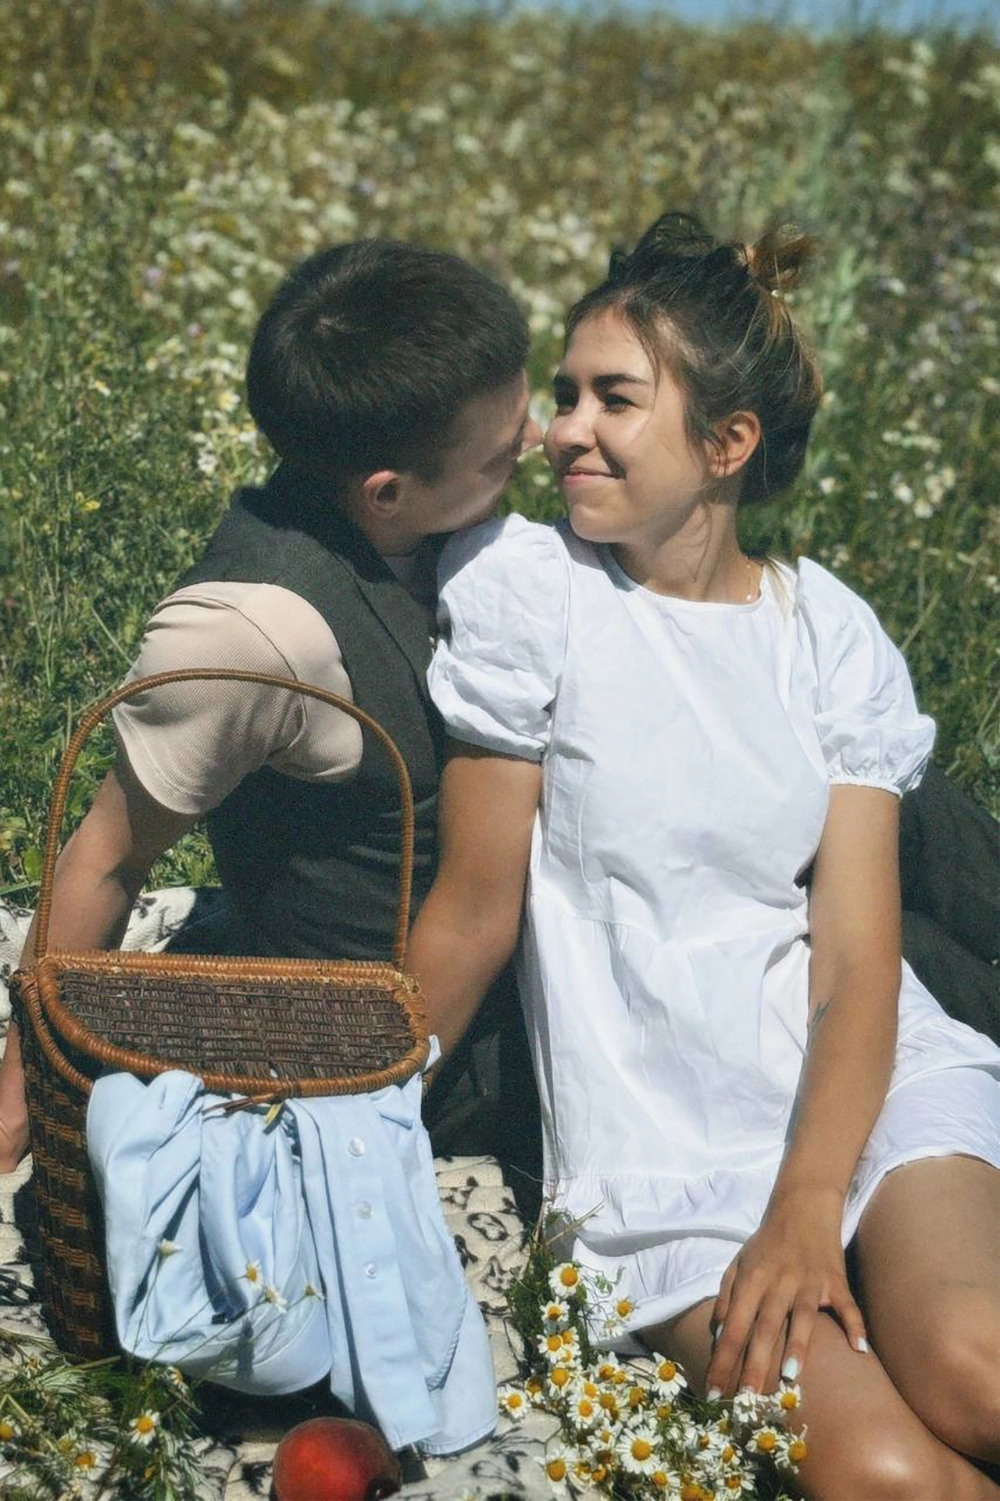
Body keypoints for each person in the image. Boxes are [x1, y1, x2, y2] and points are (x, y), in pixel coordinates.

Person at [407, 214, 1000, 1498]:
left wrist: (808, 1205)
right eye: (566, 392)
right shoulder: (529, 591)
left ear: (727, 444)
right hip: (661, 1156)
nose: (564, 429)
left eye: (614, 399)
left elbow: (856, 961)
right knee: (888, 1473)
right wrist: (341, 1111)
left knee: (975, 1367)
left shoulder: (824, 632)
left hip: (866, 1090)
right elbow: (473, 913)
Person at [0, 237, 541, 1174]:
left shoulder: (428, 520)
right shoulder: (252, 630)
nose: (536, 445)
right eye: (500, 455)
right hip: (401, 1063)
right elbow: (110, 853)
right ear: (386, 492)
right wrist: (18, 1101)